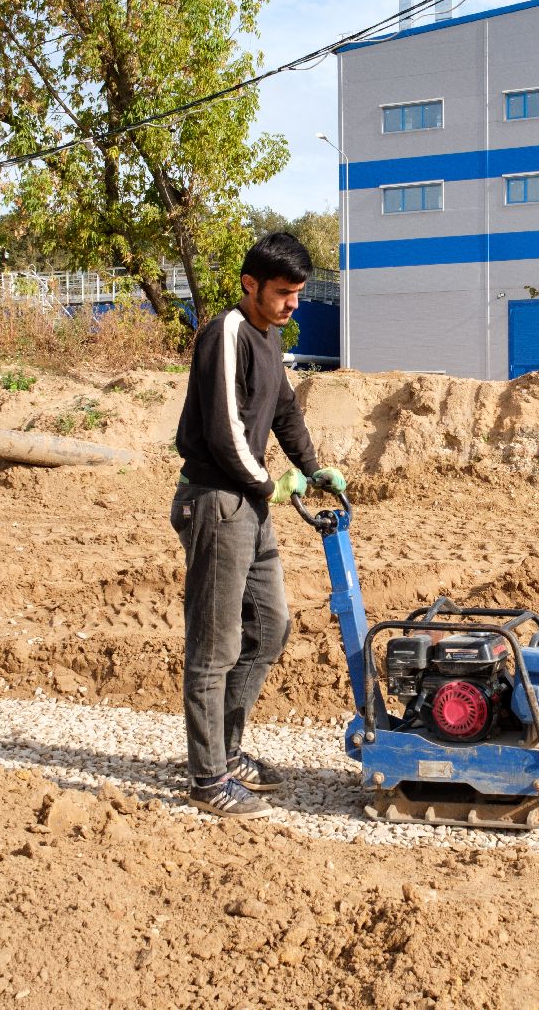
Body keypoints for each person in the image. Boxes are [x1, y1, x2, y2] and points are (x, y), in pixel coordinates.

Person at [170, 232, 348, 818]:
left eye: (298, 292)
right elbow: (223, 432)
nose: (294, 303)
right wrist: (271, 484)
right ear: (250, 284)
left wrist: (313, 469)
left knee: (270, 629)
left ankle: (226, 750)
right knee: (215, 644)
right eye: (283, 293)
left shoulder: (270, 338)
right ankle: (207, 780)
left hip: (251, 504)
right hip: (216, 500)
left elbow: (286, 412)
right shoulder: (226, 333)